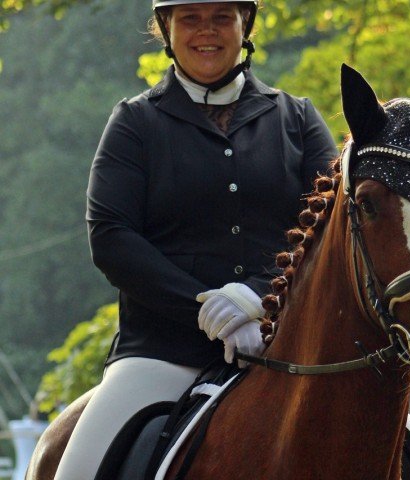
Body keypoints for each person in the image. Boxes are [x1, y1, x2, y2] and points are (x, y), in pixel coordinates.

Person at [54, 1, 338, 478]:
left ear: (243, 25)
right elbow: (112, 238)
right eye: (190, 19)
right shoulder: (133, 124)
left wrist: (259, 296)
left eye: (220, 18)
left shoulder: (299, 119)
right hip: (163, 354)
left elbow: (329, 224)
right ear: (166, 28)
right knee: (78, 467)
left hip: (292, 349)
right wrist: (205, 307)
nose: (206, 32)